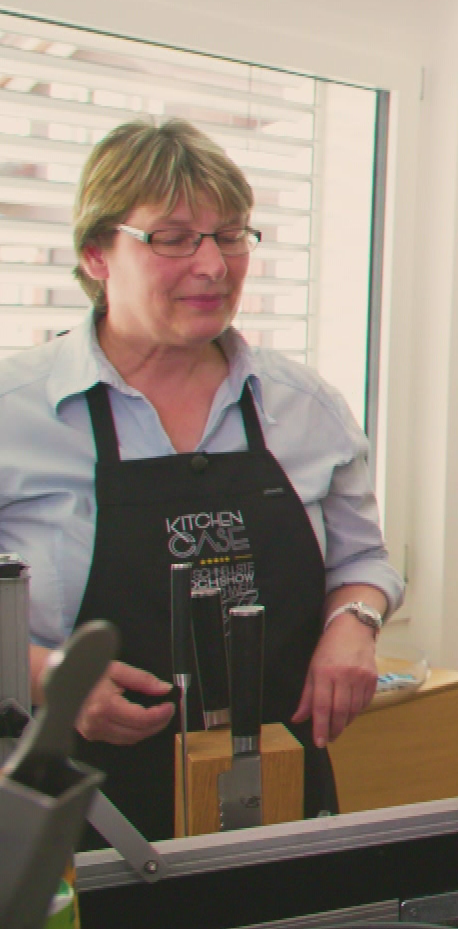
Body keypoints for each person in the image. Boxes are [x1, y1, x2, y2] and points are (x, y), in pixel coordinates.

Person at [0, 118, 402, 841]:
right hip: (69, 818)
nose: (214, 266)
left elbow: (361, 562)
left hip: (276, 803)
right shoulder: (15, 414)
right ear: (97, 253)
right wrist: (42, 674)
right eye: (175, 238)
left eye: (231, 234)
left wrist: (355, 625)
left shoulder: (304, 408)